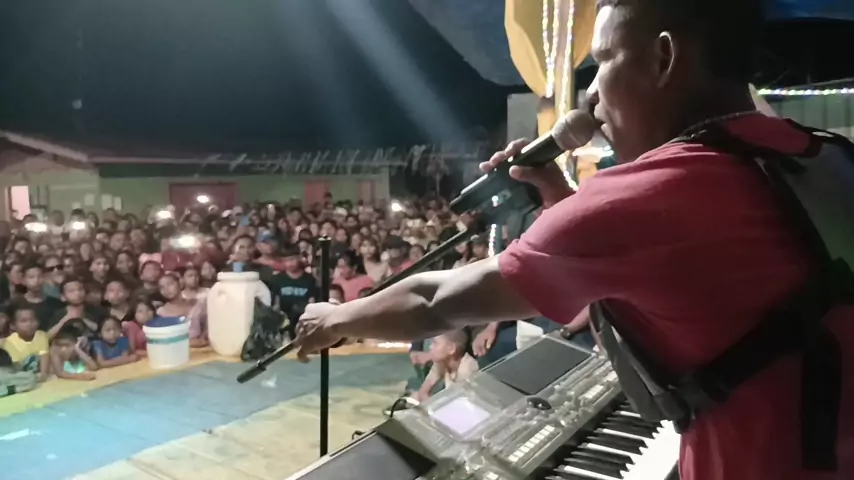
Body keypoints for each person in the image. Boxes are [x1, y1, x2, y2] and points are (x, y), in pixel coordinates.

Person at [294, 2, 854, 479]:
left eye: (605, 59)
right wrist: (559, 197)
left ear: (663, 58)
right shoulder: (825, 154)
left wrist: (337, 318)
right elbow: (658, 268)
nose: (589, 95)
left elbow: (435, 301)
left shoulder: (651, 192)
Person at [412, 330, 478, 402]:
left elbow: (458, 401)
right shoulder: (441, 363)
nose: (430, 347)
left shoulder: (467, 368)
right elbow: (423, 392)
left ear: (451, 349)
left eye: (435, 343)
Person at [270, 247, 316, 338]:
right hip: (284, 322)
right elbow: (276, 304)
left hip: (303, 322)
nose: (289, 264)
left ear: (299, 258)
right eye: (285, 260)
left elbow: (312, 303)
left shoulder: (309, 279)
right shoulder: (278, 279)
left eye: (292, 259)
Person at [2, 306, 50, 381]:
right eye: (23, 321)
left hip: (35, 377)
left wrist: (43, 374)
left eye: (32, 320)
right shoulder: (9, 342)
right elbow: (17, 369)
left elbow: (44, 360)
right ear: (13, 325)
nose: (29, 324)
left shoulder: (41, 336)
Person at [11, 263, 64, 330]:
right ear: (23, 280)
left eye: (40, 276)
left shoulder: (56, 303)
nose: (36, 280)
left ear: (45, 278)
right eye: (31, 277)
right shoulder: (15, 303)